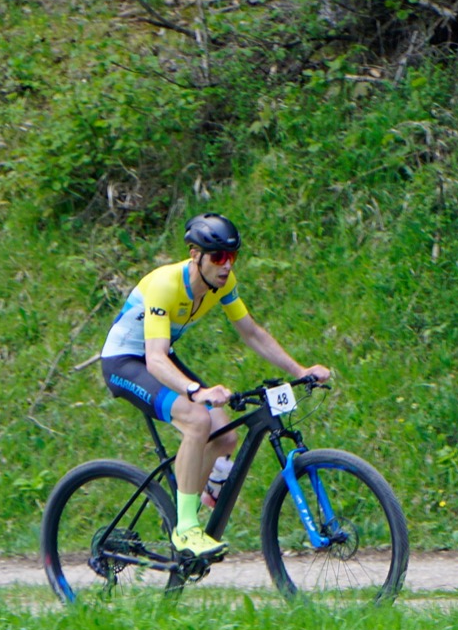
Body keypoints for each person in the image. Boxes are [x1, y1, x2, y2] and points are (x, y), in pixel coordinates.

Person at [99, 213, 331, 559]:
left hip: (157, 355)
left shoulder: (223, 283)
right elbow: (156, 359)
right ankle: (186, 529)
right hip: (125, 362)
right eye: (219, 257)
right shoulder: (165, 285)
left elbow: (251, 332)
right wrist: (196, 392)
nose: (227, 265)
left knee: (224, 437)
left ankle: (186, 506)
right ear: (195, 255)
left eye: (232, 257)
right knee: (196, 419)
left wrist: (300, 370)